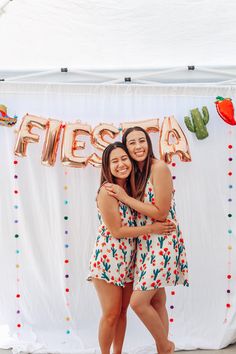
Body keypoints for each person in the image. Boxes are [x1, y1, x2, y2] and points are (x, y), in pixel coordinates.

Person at [105, 127, 189, 354]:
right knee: (157, 301)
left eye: (142, 141)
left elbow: (161, 212)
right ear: (126, 148)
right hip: (145, 242)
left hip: (163, 238)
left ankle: (165, 346)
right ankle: (164, 348)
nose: (138, 146)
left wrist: (124, 198)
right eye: (131, 143)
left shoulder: (158, 168)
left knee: (138, 302)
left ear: (149, 143)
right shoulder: (136, 173)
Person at [88, 141, 176, 354]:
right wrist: (152, 228)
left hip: (129, 261)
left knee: (122, 313)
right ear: (107, 167)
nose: (121, 164)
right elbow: (117, 231)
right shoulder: (107, 191)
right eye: (114, 161)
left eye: (124, 158)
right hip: (108, 259)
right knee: (110, 314)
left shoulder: (133, 189)